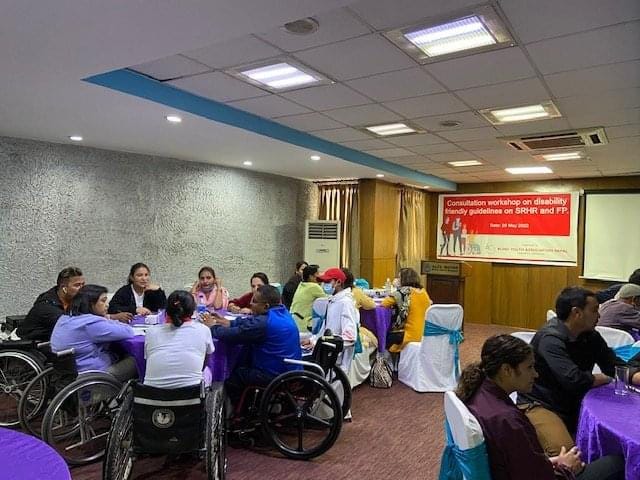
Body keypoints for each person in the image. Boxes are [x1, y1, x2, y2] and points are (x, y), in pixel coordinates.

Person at [457, 334, 625, 480]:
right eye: (529, 367)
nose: (535, 374)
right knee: (618, 462)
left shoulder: (478, 391)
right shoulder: (507, 419)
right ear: (507, 370)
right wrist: (565, 468)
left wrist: (551, 462)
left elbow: (520, 464)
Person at [518, 286, 640, 456]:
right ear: (577, 313)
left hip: (573, 401)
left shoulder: (590, 335)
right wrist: (603, 378)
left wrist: (635, 376)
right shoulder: (550, 339)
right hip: (542, 404)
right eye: (595, 310)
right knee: (568, 454)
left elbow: (612, 364)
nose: (599, 315)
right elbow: (574, 380)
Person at [204, 285, 301, 407]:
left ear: (265, 306)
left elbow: (234, 335)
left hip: (273, 375)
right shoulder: (282, 312)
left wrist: (212, 327)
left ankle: (244, 412)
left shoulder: (263, 323)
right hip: (290, 370)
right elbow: (248, 323)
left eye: (254, 301)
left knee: (234, 379)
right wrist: (227, 322)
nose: (250, 303)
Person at [50, 284, 137, 382]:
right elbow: (128, 332)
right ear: (91, 303)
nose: (107, 305)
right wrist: (109, 319)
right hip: (91, 375)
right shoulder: (91, 323)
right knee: (136, 360)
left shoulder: (64, 318)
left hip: (68, 374)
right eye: (103, 301)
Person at [144, 290, 214, 389]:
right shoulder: (203, 330)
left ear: (167, 310)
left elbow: (149, 361)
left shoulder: (151, 332)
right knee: (208, 373)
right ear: (193, 311)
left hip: (151, 398)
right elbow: (205, 363)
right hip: (191, 398)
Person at [304, 267, 359, 372]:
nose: (325, 284)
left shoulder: (345, 303)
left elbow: (350, 336)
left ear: (338, 282)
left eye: (328, 281)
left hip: (337, 360)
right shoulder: (332, 301)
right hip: (328, 355)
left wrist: (325, 344)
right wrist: (313, 340)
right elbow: (326, 328)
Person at [17, 267, 86, 340]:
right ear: (64, 288)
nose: (83, 289)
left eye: (83, 284)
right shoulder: (47, 306)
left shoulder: (75, 300)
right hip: (32, 346)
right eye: (77, 285)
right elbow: (72, 328)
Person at [381, 267, 431, 353]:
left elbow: (384, 303)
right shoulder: (423, 293)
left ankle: (389, 364)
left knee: (382, 337)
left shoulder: (403, 292)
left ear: (404, 279)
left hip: (408, 336)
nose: (397, 280)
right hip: (423, 335)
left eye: (399, 278)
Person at [289, 264, 326, 332]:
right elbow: (327, 301)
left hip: (295, 321)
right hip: (305, 325)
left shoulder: (301, 285)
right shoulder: (314, 286)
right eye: (317, 273)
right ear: (311, 276)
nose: (319, 275)